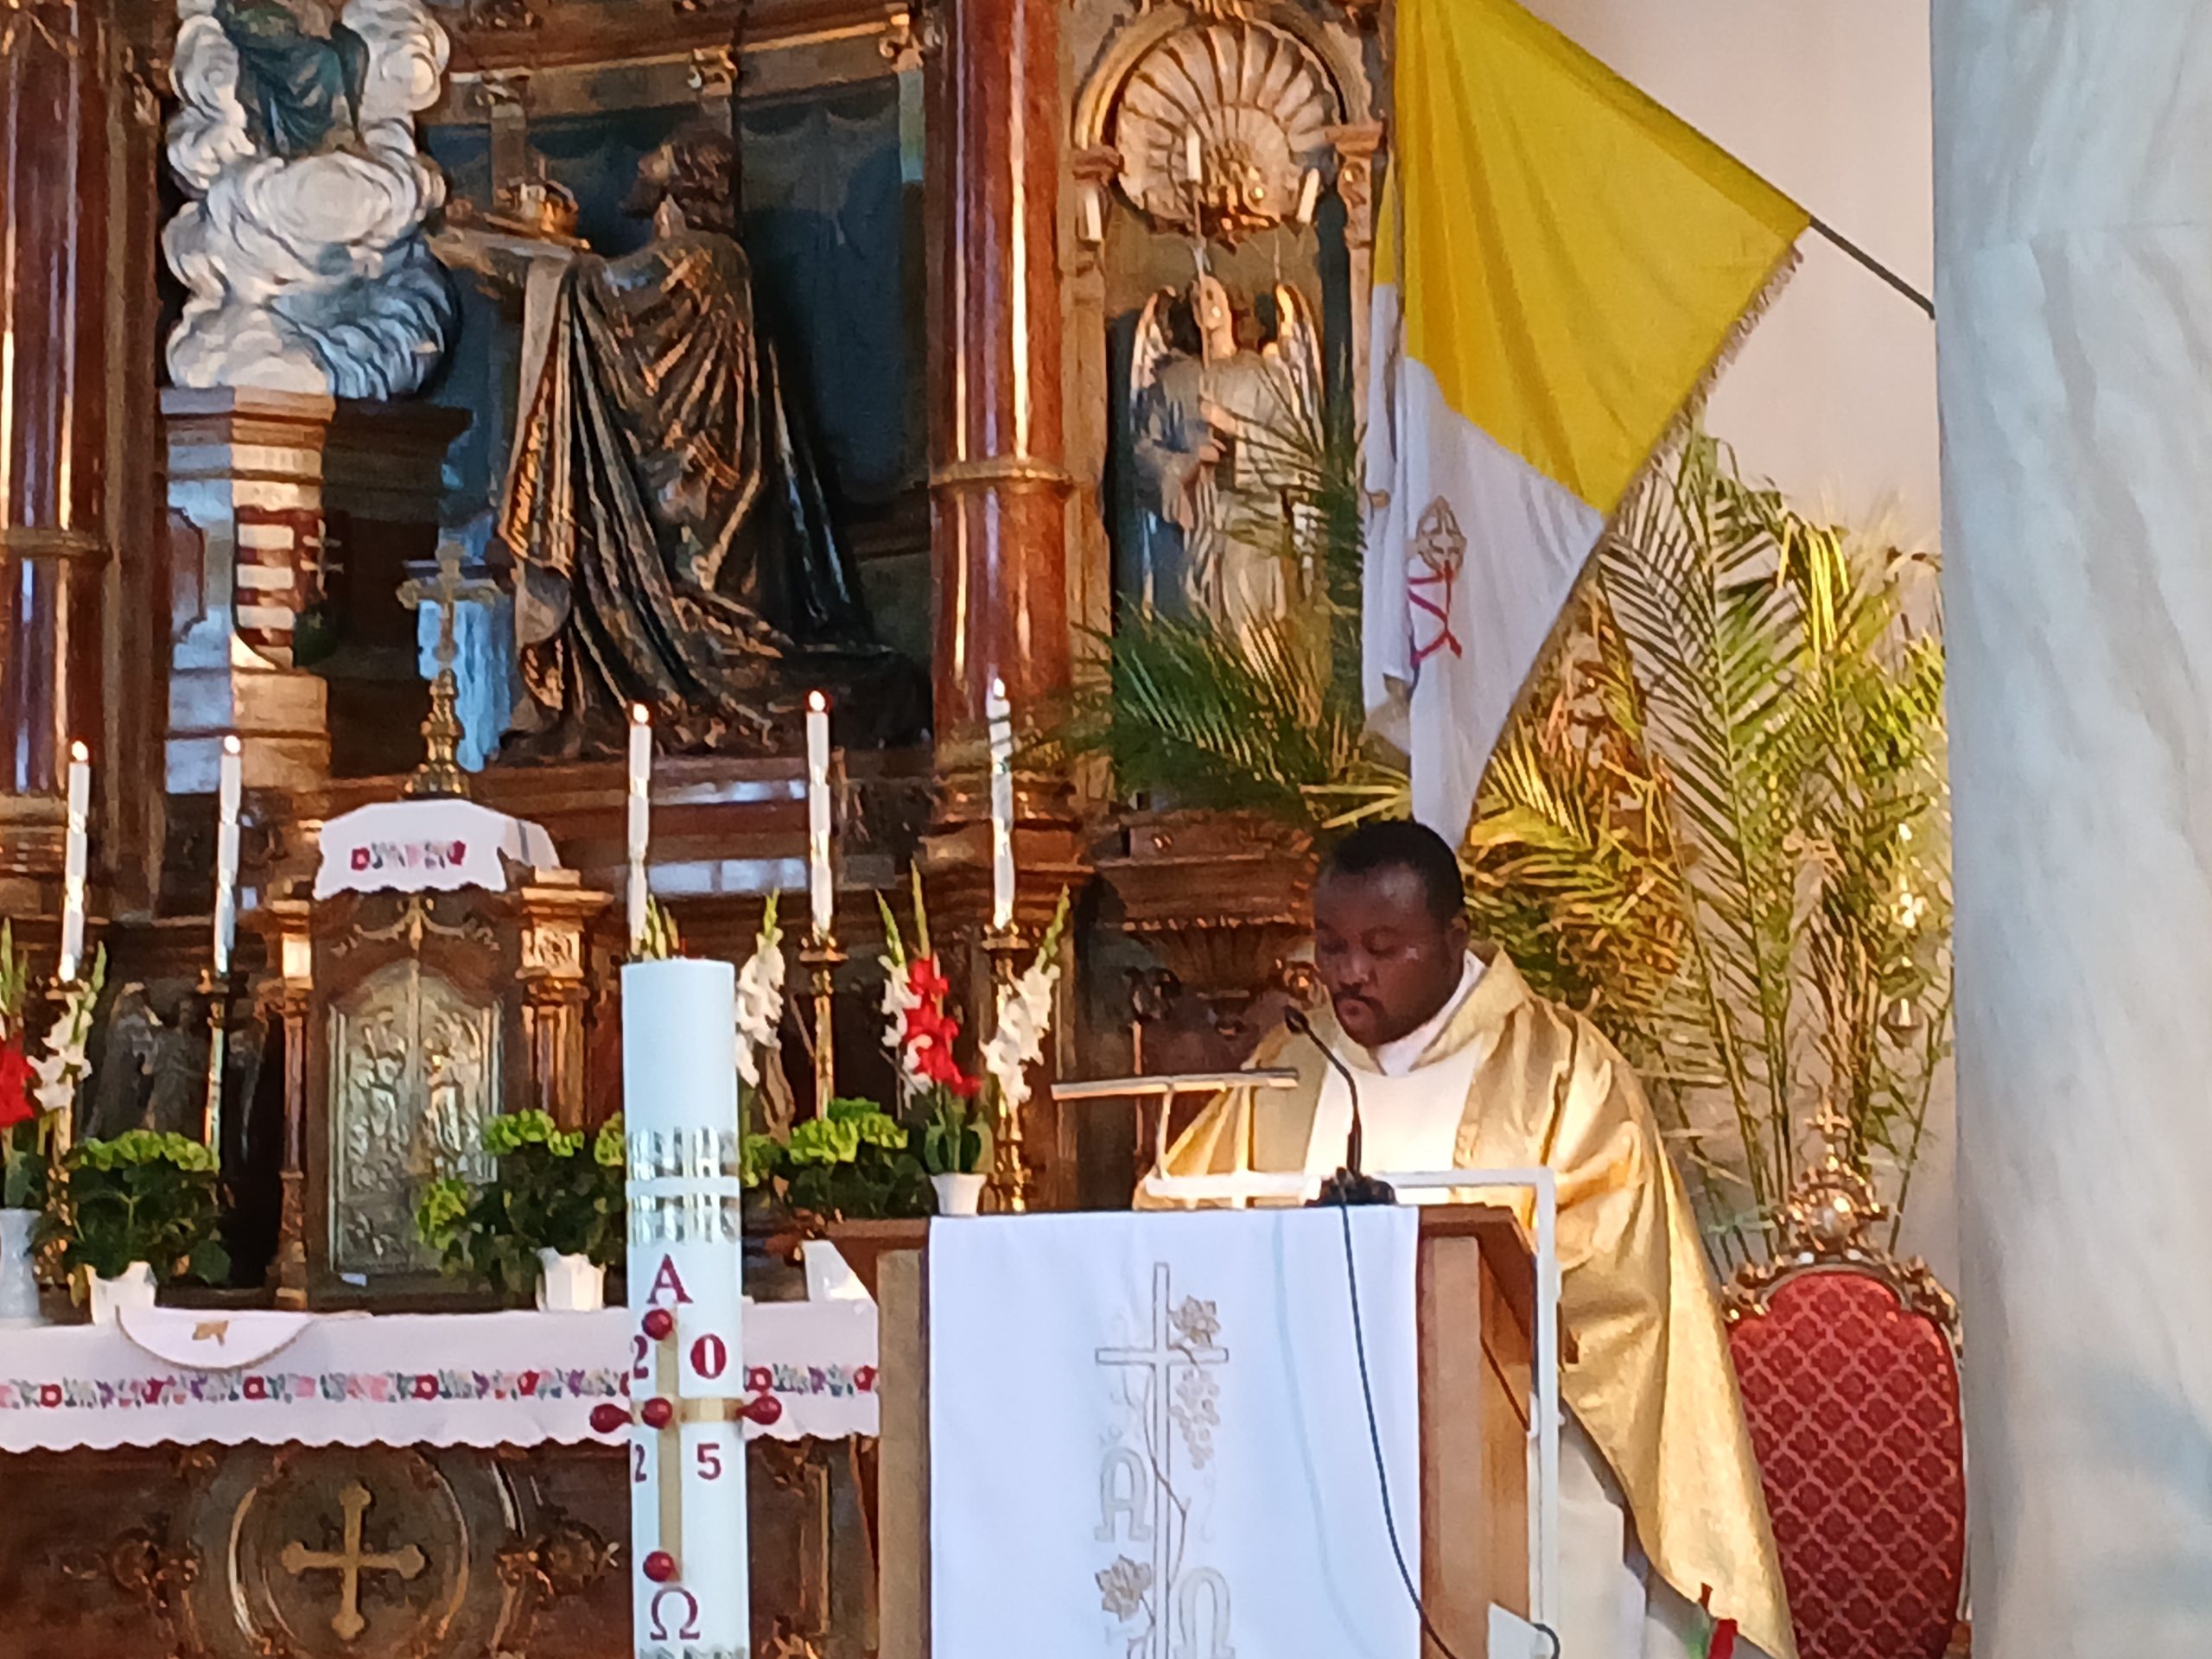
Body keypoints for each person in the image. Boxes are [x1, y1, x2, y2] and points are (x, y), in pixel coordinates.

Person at [1151, 818, 1795, 1659]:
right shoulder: (1292, 1068)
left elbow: (1617, 1296)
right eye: (1330, 945)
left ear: (1454, 938)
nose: (1349, 973)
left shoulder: (1561, 1072)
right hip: (1313, 1465)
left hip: (1511, 1467)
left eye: (1382, 947)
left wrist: (1446, 1302)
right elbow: (1175, 1220)